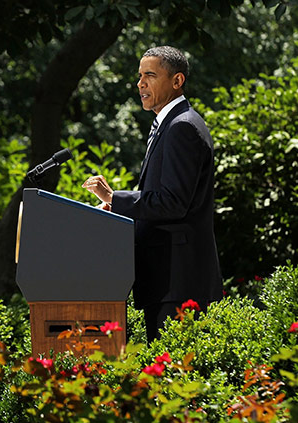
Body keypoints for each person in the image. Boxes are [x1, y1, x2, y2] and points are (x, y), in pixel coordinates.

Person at [82, 45, 222, 342]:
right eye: (139, 76)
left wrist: (115, 198)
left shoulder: (181, 127)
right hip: (167, 280)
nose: (140, 84)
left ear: (177, 81)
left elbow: (173, 203)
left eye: (150, 75)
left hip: (178, 281)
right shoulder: (169, 125)